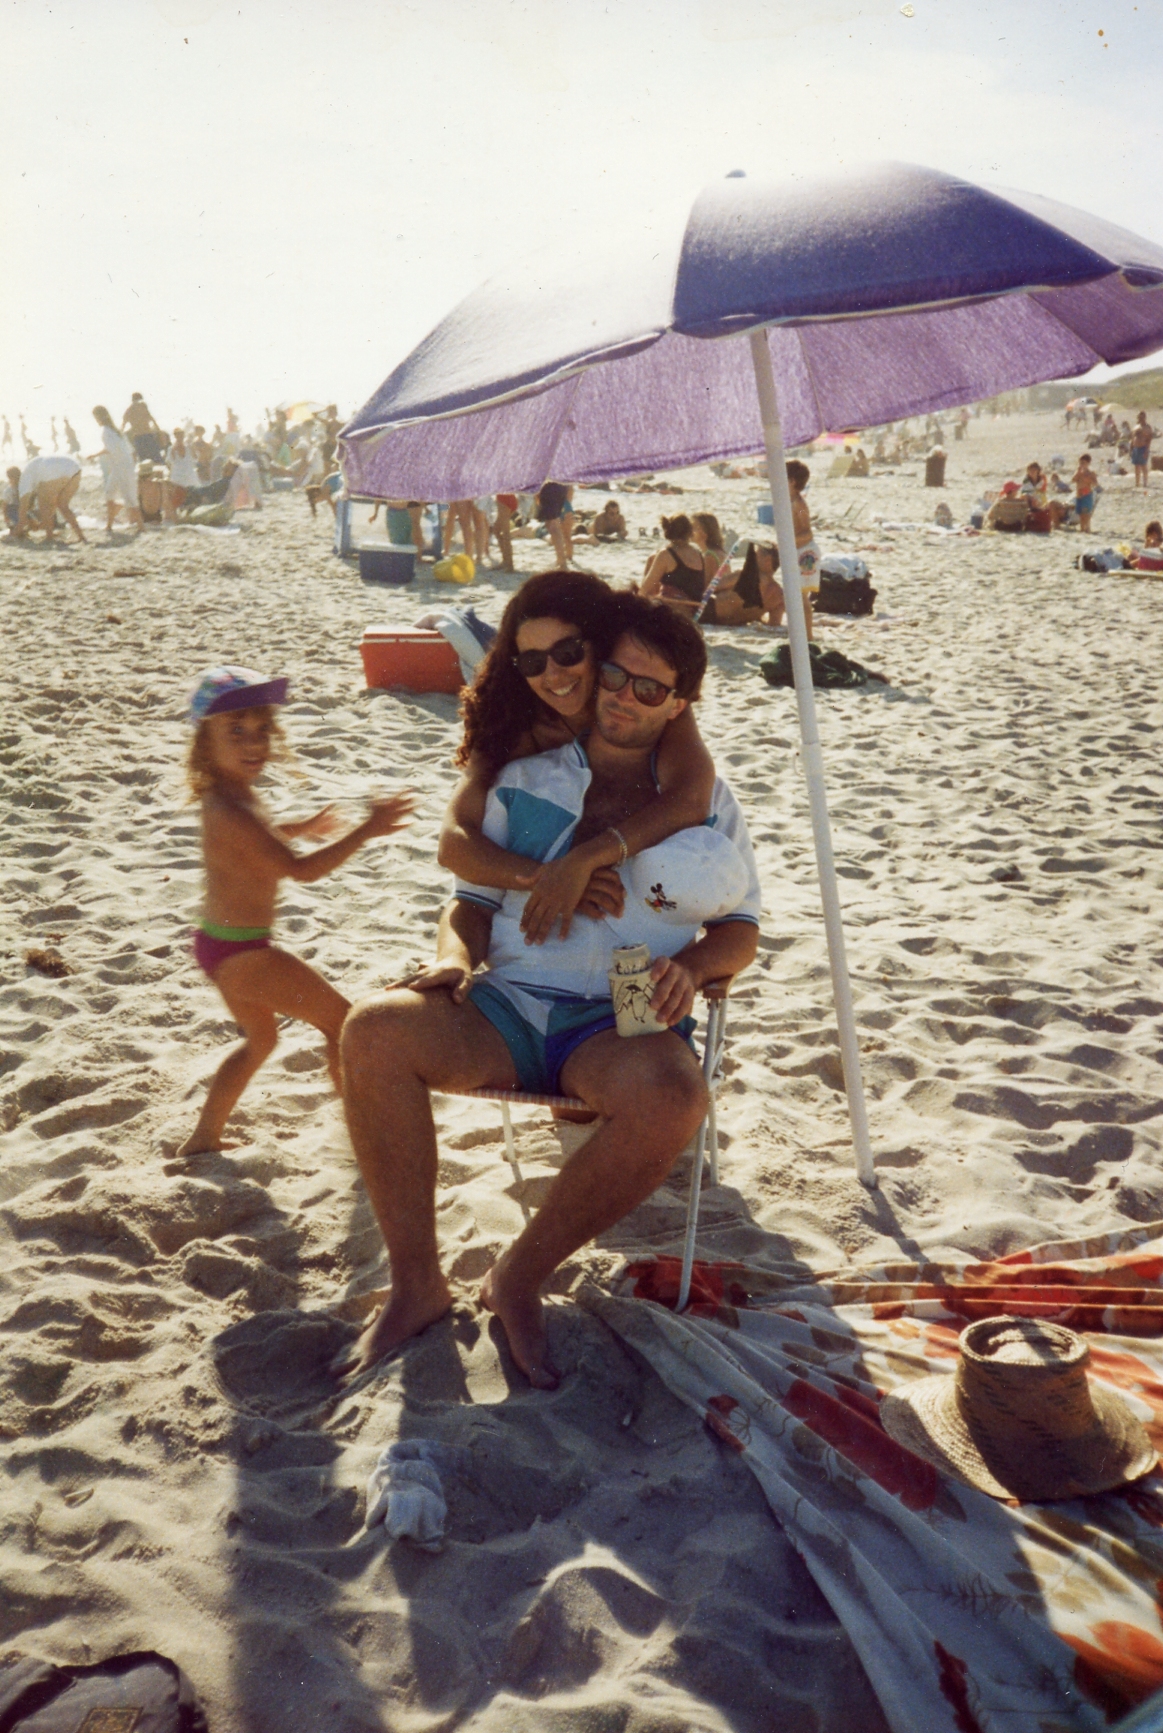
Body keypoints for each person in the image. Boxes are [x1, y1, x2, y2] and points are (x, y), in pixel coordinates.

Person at [339, 594, 760, 1385]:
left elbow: (740, 928)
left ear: (678, 703)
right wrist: (454, 959)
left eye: (649, 688)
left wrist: (695, 968)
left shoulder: (703, 803)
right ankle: (417, 1283)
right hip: (510, 1000)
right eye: (615, 676)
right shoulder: (525, 778)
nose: (623, 697)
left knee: (674, 1095)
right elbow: (467, 900)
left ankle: (518, 1277)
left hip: (619, 1014)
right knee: (372, 1029)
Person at [179, 666, 415, 1158]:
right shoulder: (231, 810)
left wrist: (299, 826)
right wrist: (367, 830)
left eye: (262, 730)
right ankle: (365, 1131)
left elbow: (257, 842)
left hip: (219, 943)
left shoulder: (228, 795)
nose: (254, 743)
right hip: (244, 952)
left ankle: (204, 1137)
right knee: (342, 1022)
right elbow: (300, 871)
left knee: (260, 1043)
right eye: (236, 731)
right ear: (203, 743)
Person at [440, 570, 716, 942]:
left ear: (600, 644)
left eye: (567, 653)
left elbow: (691, 799)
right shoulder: (512, 726)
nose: (553, 675)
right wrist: (554, 878)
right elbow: (453, 842)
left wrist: (584, 860)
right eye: (533, 662)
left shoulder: (645, 701)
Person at [641, 514, 707, 616]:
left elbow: (645, 589)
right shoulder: (698, 553)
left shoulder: (665, 555)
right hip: (695, 610)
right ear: (689, 532)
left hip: (673, 611)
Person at [90, 406, 143, 533]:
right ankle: (109, 525)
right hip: (120, 466)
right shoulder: (116, 431)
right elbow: (130, 451)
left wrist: (94, 455)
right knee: (109, 493)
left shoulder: (108, 432)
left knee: (129, 497)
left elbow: (110, 449)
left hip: (122, 467)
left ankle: (141, 526)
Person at [13, 453, 85, 543]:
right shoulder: (31, 473)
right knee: (62, 505)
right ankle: (81, 537)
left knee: (44, 506)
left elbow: (22, 515)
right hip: (74, 467)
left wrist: (14, 533)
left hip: (51, 470)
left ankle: (49, 537)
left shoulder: (23, 483)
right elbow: (51, 508)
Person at [535, 481, 574, 567]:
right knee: (555, 526)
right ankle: (563, 559)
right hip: (561, 489)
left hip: (550, 489)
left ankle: (562, 561)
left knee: (552, 526)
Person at [164, 427, 199, 519]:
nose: (180, 437)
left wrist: (192, 448)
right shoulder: (171, 449)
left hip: (189, 474)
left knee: (191, 496)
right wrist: (173, 450)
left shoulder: (189, 447)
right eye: (178, 435)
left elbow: (196, 459)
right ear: (175, 436)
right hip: (178, 476)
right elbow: (169, 463)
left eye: (181, 435)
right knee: (178, 496)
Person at [122, 393, 165, 462]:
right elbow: (152, 419)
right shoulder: (142, 406)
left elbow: (123, 425)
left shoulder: (128, 411)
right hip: (147, 435)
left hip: (139, 438)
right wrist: (159, 432)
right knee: (157, 459)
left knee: (144, 461)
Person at [1073, 454, 1097, 532]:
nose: (1081, 465)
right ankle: (1082, 528)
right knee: (1081, 513)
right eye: (1080, 463)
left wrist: (1089, 480)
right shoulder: (1078, 472)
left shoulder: (1091, 473)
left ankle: (1087, 528)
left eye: (1083, 463)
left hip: (1087, 494)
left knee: (1086, 512)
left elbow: (1095, 483)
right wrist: (1078, 473)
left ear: (1088, 463)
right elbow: (1073, 480)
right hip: (1079, 495)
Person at [1131, 412, 1155, 491]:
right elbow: (1132, 438)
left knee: (1143, 466)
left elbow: (1149, 439)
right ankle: (1137, 482)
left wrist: (1146, 450)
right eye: (1139, 417)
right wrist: (1131, 449)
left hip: (1143, 448)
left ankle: (1145, 483)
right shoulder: (1136, 426)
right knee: (1136, 466)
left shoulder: (1147, 427)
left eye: (1142, 417)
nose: (1140, 419)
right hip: (1135, 448)